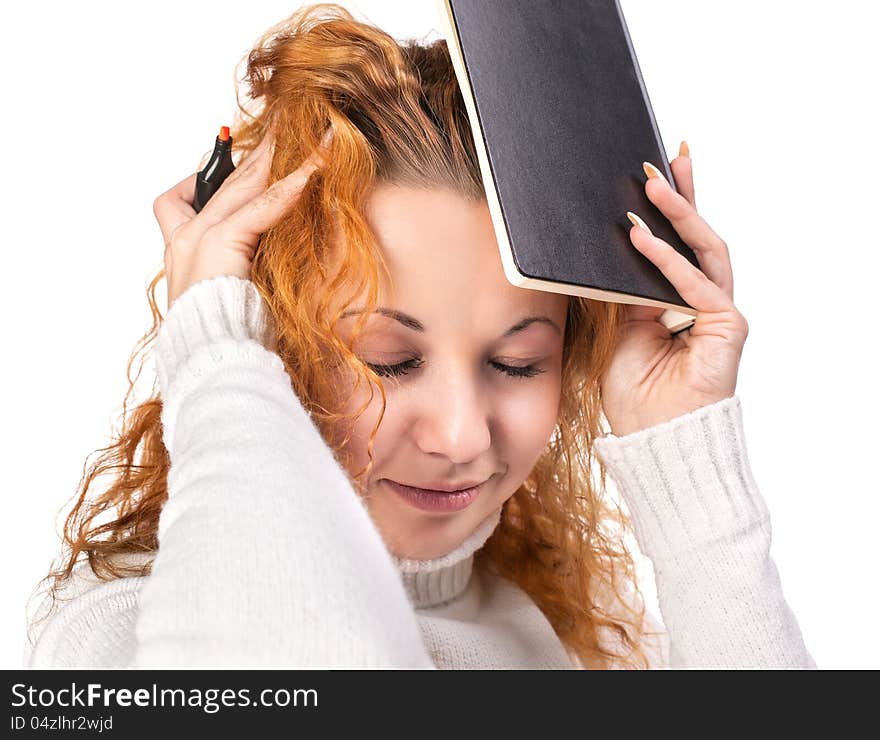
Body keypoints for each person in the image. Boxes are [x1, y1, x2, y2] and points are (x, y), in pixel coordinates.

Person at [22, 3, 815, 669]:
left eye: (518, 362)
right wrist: (215, 349)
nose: (462, 434)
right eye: (390, 363)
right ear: (275, 344)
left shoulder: (563, 632)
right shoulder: (115, 636)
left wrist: (683, 455)